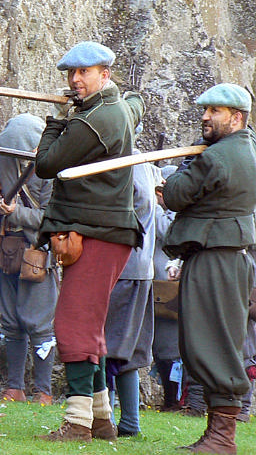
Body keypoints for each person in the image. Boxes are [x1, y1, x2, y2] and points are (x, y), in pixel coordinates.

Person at [34, 41, 144, 442]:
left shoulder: (92, 122)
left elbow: (45, 164)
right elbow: (138, 104)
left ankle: (77, 422)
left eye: (84, 73)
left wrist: (56, 122)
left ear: (105, 74)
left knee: (73, 325)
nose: (75, 80)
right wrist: (82, 108)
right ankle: (100, 420)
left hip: (97, 231)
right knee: (89, 327)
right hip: (104, 231)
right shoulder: (118, 109)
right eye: (71, 74)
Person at [162, 83, 256, 454]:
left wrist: (184, 168)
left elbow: (174, 194)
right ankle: (218, 434)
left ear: (236, 118)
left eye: (214, 111)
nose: (204, 116)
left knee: (211, 342)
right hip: (224, 254)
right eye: (205, 110)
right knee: (218, 340)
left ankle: (222, 437)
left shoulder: (215, 158)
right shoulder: (245, 149)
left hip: (216, 257)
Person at [0, 114, 58, 405]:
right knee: (11, 321)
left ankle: (43, 391)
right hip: (5, 250)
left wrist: (15, 213)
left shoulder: (50, 169)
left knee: (39, 323)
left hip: (37, 253)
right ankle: (14, 388)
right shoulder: (2, 157)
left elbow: (51, 216)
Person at [104, 158, 159, 437]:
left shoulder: (126, 165)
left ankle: (109, 419)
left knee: (111, 348)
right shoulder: (146, 165)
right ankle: (129, 423)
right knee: (130, 349)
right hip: (141, 269)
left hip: (123, 269)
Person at [151, 165, 182, 413]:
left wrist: (155, 205)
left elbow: (167, 232)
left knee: (169, 346)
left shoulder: (176, 212)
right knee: (157, 347)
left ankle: (174, 400)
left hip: (168, 287)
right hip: (152, 285)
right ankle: (168, 399)